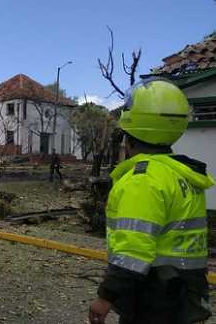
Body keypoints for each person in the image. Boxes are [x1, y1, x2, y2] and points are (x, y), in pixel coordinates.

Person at [88, 78, 214, 324]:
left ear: (129, 137)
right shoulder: (183, 174)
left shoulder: (142, 180)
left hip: (154, 297)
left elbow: (133, 250)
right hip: (186, 294)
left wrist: (105, 297)